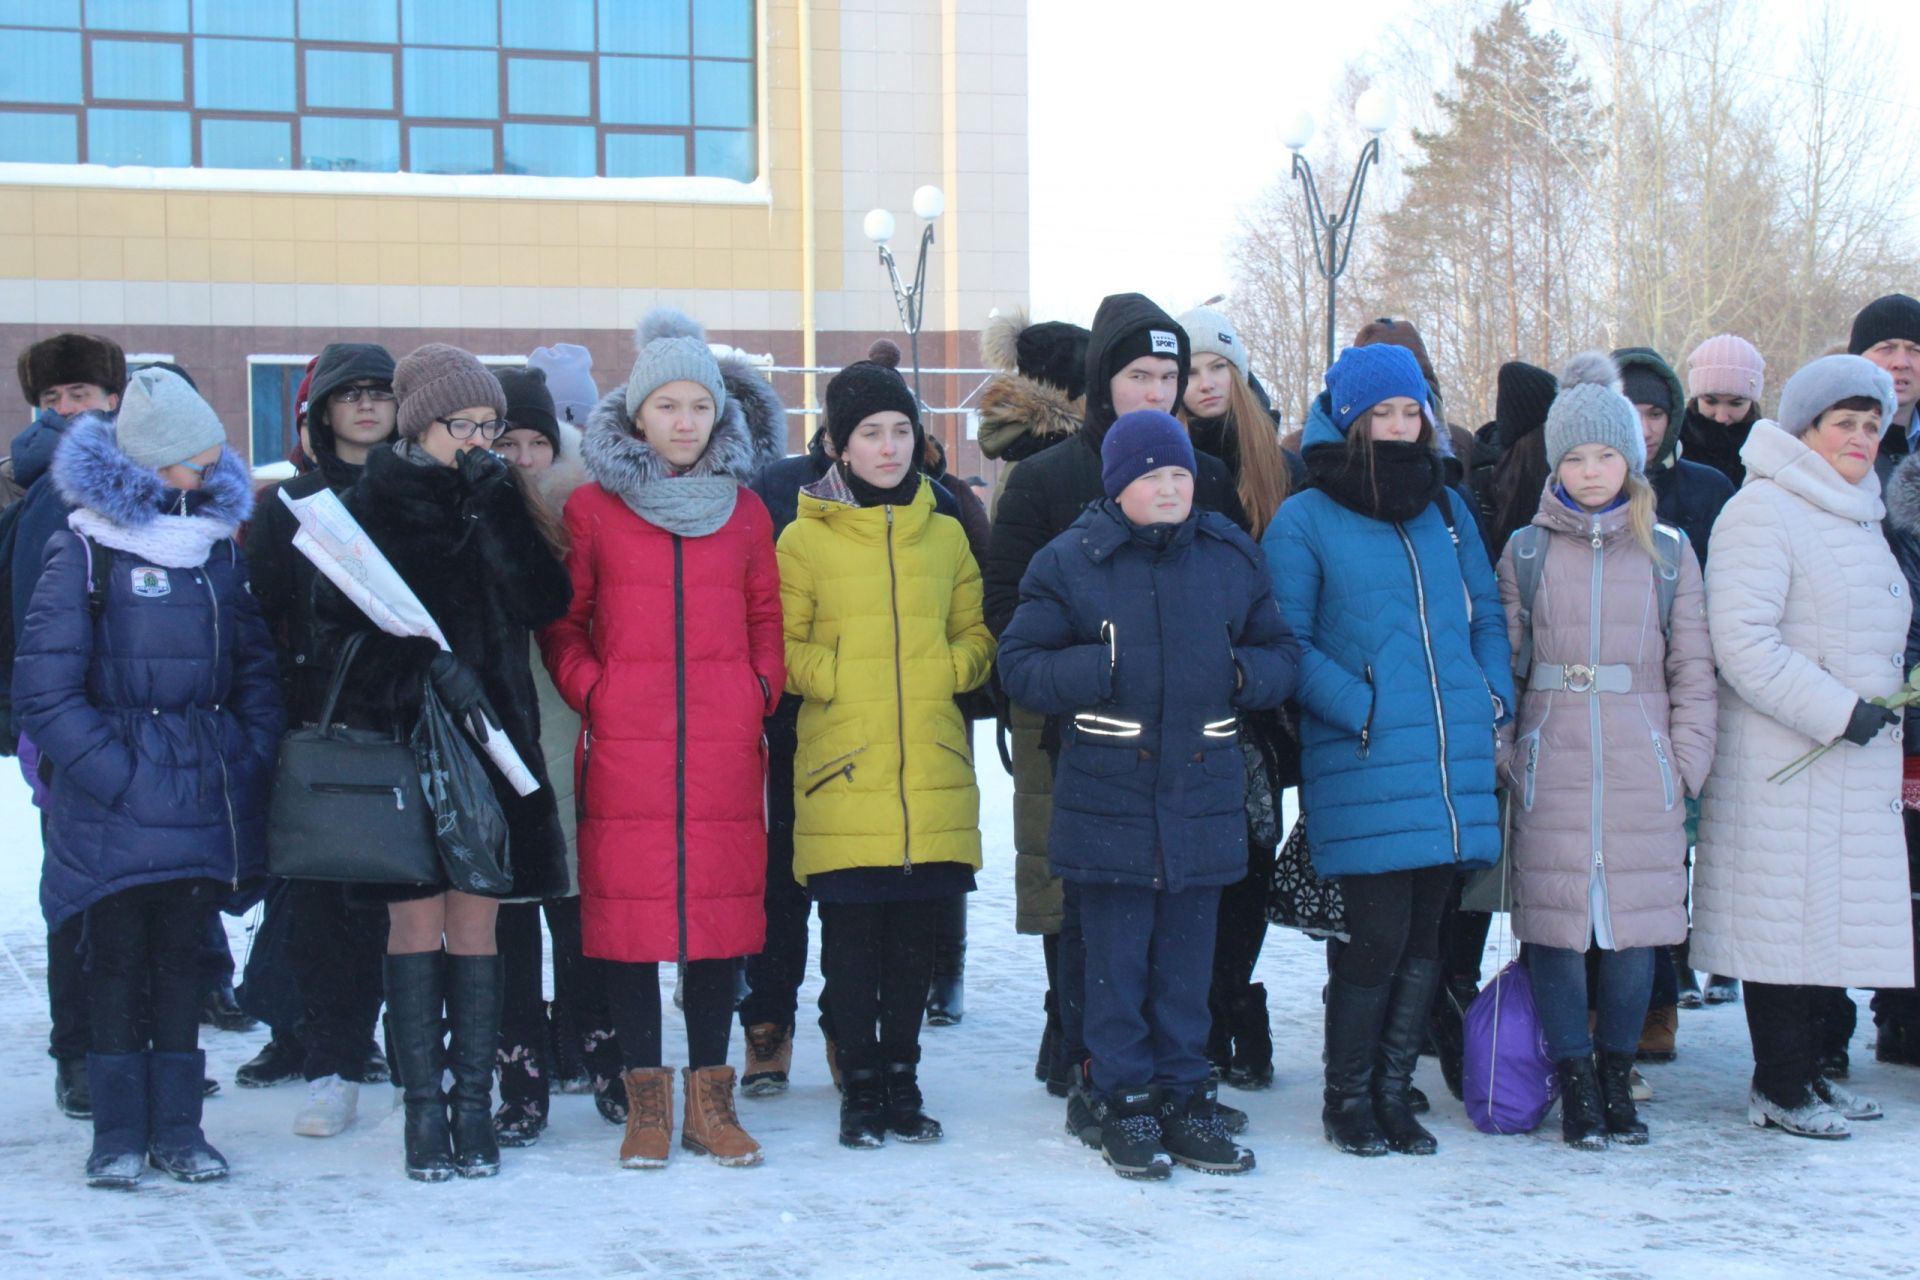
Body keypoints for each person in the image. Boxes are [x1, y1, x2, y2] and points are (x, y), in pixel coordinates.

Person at [999, 409, 1299, 1178]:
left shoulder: (1229, 556)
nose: (1167, 490)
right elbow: (1021, 663)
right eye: (1149, 477)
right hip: (1109, 802)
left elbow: (1280, 654)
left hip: (1201, 798)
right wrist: (1092, 671)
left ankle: (1182, 1093)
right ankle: (1121, 1097)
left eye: (1178, 476)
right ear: (1117, 485)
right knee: (1117, 966)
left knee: (1185, 970)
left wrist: (1242, 676)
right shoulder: (1069, 561)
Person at [983, 292, 1249, 1144]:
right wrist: (1089, 680)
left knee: (1177, 935)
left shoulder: (1203, 483)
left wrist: (1232, 674)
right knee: (1095, 918)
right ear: (1105, 380)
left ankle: (1174, 1077)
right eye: (1141, 374)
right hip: (1084, 743)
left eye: (1171, 376)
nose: (1158, 390)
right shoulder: (1050, 482)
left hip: (1190, 755)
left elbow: (1251, 615)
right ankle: (1097, 1069)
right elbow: (1011, 619)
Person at [15, 368, 283, 1186]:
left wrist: (243, 748)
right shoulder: (84, 548)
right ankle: (117, 1134)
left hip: (201, 784)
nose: (206, 476)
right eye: (191, 463)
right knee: (114, 960)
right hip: (114, 802)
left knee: (182, 963)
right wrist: (117, 773)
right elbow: (45, 687)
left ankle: (180, 1131)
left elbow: (255, 668)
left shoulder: (213, 553)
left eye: (212, 462)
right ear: (148, 462)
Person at [313, 343, 572, 1181]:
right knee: (415, 921)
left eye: (490, 426)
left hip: (496, 747)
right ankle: (424, 1117)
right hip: (405, 752)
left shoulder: (495, 493)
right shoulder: (368, 504)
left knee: (480, 921)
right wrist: (423, 666)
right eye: (463, 425)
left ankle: (474, 1110)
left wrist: (499, 509)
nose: (478, 440)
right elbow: (330, 640)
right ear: (420, 425)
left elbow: (546, 602)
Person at [541, 309, 785, 1170]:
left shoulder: (748, 512)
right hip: (627, 752)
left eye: (699, 406)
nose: (684, 422)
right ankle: (648, 1104)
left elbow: (766, 619)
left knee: (716, 930)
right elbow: (563, 623)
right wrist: (596, 690)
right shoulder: (594, 510)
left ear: (719, 415)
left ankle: (710, 1107)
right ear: (636, 415)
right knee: (634, 931)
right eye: (667, 406)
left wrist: (756, 689)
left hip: (722, 751)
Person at [1264, 343, 1513, 1158]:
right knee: (1372, 943)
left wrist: (1490, 693)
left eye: (1411, 412)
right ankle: (1348, 1100)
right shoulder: (1306, 516)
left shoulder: (1446, 508)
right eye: (1382, 414)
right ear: (1349, 420)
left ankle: (1393, 1091)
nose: (1400, 428)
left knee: (1425, 942)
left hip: (1450, 760)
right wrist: (1361, 708)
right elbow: (1287, 642)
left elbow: (1485, 614)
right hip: (1366, 757)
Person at [1496, 354, 1717, 1149]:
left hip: (1640, 767)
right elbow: (1503, 662)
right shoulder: (1526, 551)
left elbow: (1694, 667)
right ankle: (1577, 1082)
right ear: (1557, 464)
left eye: (1606, 455)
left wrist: (1683, 761)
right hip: (1551, 765)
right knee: (1556, 933)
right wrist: (1508, 751)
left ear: (1636, 459)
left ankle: (1618, 1078)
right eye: (1576, 458)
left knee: (1634, 935)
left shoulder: (1668, 550)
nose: (1592, 472)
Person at [740, 363, 980, 1096]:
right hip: (837, 760)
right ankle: (840, 1058)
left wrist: (942, 668)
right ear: (838, 445)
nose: (888, 447)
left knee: (911, 934)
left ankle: (898, 1075)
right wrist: (851, 676)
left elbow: (977, 634)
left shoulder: (944, 531)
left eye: (901, 431)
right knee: (843, 930)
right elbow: (780, 643)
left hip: (921, 767)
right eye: (870, 433)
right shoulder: (804, 535)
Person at [1693, 354, 1914, 1139]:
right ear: (1805, 429)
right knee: (1780, 925)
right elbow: (1743, 643)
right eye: (1842, 424)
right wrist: (1838, 709)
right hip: (1784, 760)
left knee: (1819, 922)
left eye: (1870, 424)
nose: (1859, 438)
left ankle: (1807, 1077)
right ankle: (1779, 1085)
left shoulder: (1855, 508)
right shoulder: (1765, 511)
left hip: (1845, 760)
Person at [242, 342, 400, 1135]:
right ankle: (331, 1063)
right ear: (323, 409)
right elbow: (258, 622)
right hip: (318, 730)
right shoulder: (288, 506)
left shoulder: (421, 495)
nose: (367, 406)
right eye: (351, 394)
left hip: (410, 726)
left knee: (403, 908)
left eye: (381, 392)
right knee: (316, 909)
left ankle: (412, 1061)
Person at [485, 363, 615, 1146]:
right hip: (495, 734)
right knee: (505, 921)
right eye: (509, 441)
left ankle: (600, 1057)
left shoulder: (582, 517)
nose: (525, 456)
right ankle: (518, 1076)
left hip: (572, 729)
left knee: (579, 912)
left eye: (537, 441)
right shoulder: (469, 513)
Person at [1, 332, 125, 1123]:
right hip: (74, 723)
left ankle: (124, 1050)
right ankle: (80, 1054)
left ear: (113, 398)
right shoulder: (53, 486)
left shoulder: (129, 472)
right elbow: (32, 619)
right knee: (79, 894)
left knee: (136, 893)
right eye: (55, 400)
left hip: (134, 715)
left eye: (82, 395)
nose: (69, 410)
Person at [1176, 304, 1299, 1090]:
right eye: (1190, 370)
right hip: (1187, 693)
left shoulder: (1276, 465)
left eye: (1218, 366)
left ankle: (1234, 1003)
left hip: (1261, 700)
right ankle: (1210, 1015)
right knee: (1198, 865)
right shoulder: (1159, 454)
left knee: (1252, 861)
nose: (1205, 383)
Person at [974, 307, 1091, 1094]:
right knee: (1066, 862)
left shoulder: (1012, 447)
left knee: (1055, 860)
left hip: (1037, 684)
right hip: (1062, 683)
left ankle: (1065, 1024)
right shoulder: (1063, 458)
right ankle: (1069, 1028)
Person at [1852, 294, 1920, 1070]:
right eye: (1884, 348)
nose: (1900, 362)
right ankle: (1829, 1021)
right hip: (1857, 689)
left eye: (1912, 348)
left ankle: (1906, 1011)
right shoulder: (1833, 442)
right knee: (1860, 853)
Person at [1680, 334, 1766, 489]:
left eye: (1736, 404)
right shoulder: (1671, 445)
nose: (1721, 417)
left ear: (1752, 402)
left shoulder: (1769, 449)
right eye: (1710, 402)